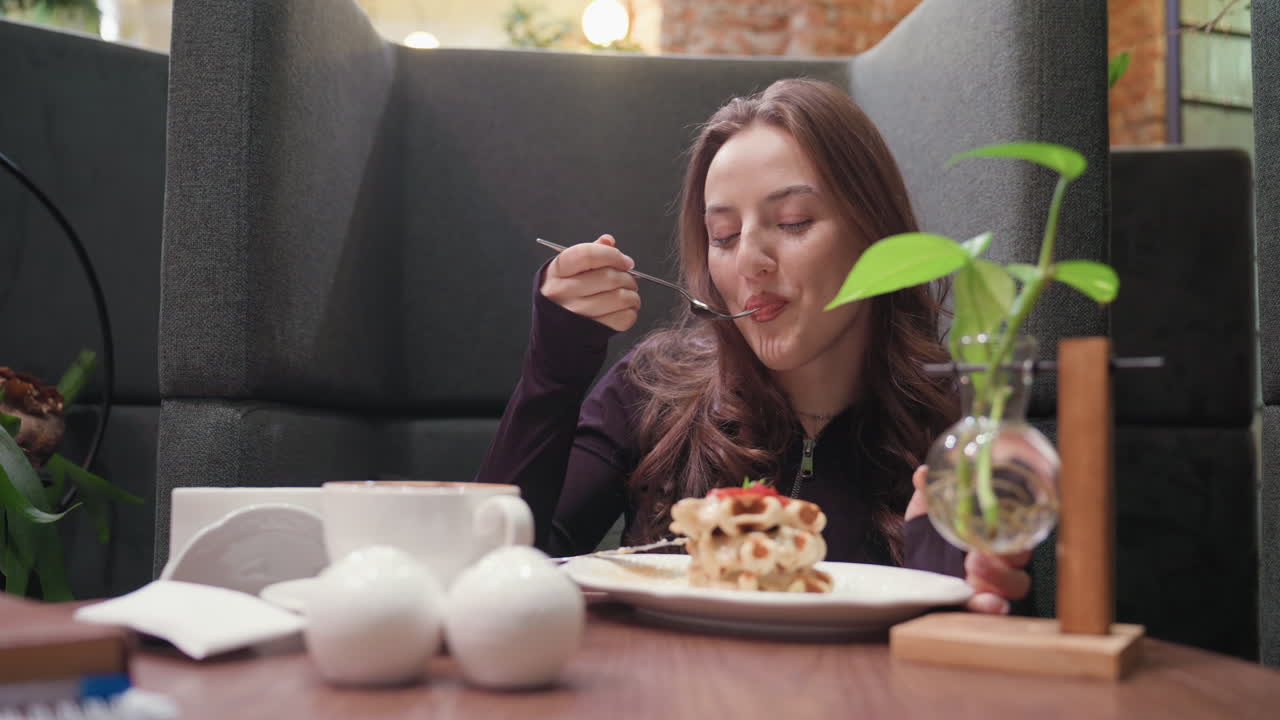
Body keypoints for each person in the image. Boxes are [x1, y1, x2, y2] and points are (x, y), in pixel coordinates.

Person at [476, 78, 1030, 614]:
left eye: (792, 222)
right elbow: (496, 567)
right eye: (723, 236)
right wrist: (554, 368)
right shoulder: (651, 387)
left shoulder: (960, 431)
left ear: (875, 231)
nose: (748, 261)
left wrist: (944, 596)